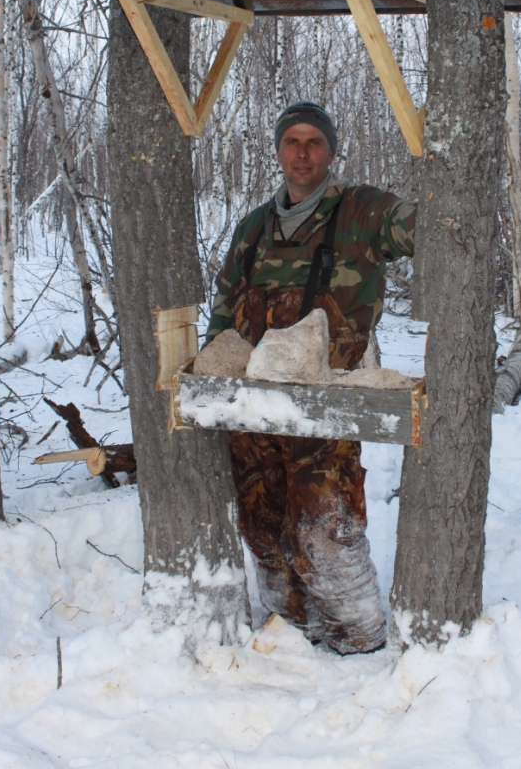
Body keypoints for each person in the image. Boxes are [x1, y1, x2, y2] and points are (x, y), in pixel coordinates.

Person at [205, 101, 416, 654]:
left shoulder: (362, 211)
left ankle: (357, 638)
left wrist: (445, 189)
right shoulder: (254, 227)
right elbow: (224, 312)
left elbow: (421, 229)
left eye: (313, 142)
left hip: (326, 405)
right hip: (254, 407)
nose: (302, 152)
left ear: (330, 150)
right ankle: (290, 633)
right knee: (261, 523)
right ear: (277, 151)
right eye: (292, 141)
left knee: (325, 525)